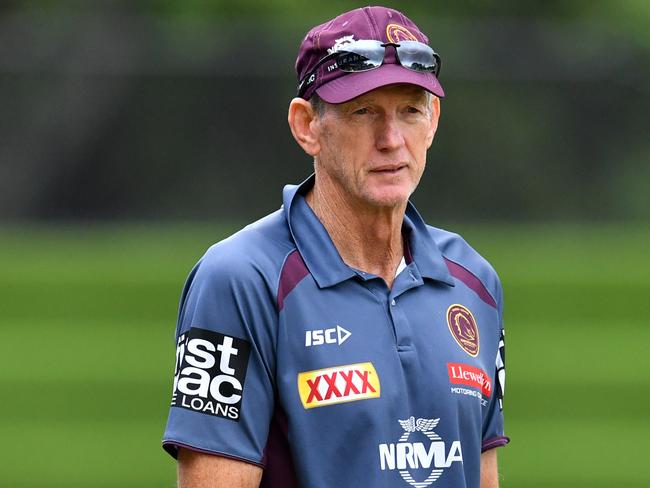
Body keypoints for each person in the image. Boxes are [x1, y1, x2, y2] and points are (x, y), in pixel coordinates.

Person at [162, 6, 509, 488]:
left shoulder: (474, 283)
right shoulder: (240, 279)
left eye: (409, 111)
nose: (391, 140)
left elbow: (481, 476)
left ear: (432, 122)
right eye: (362, 111)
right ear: (307, 126)